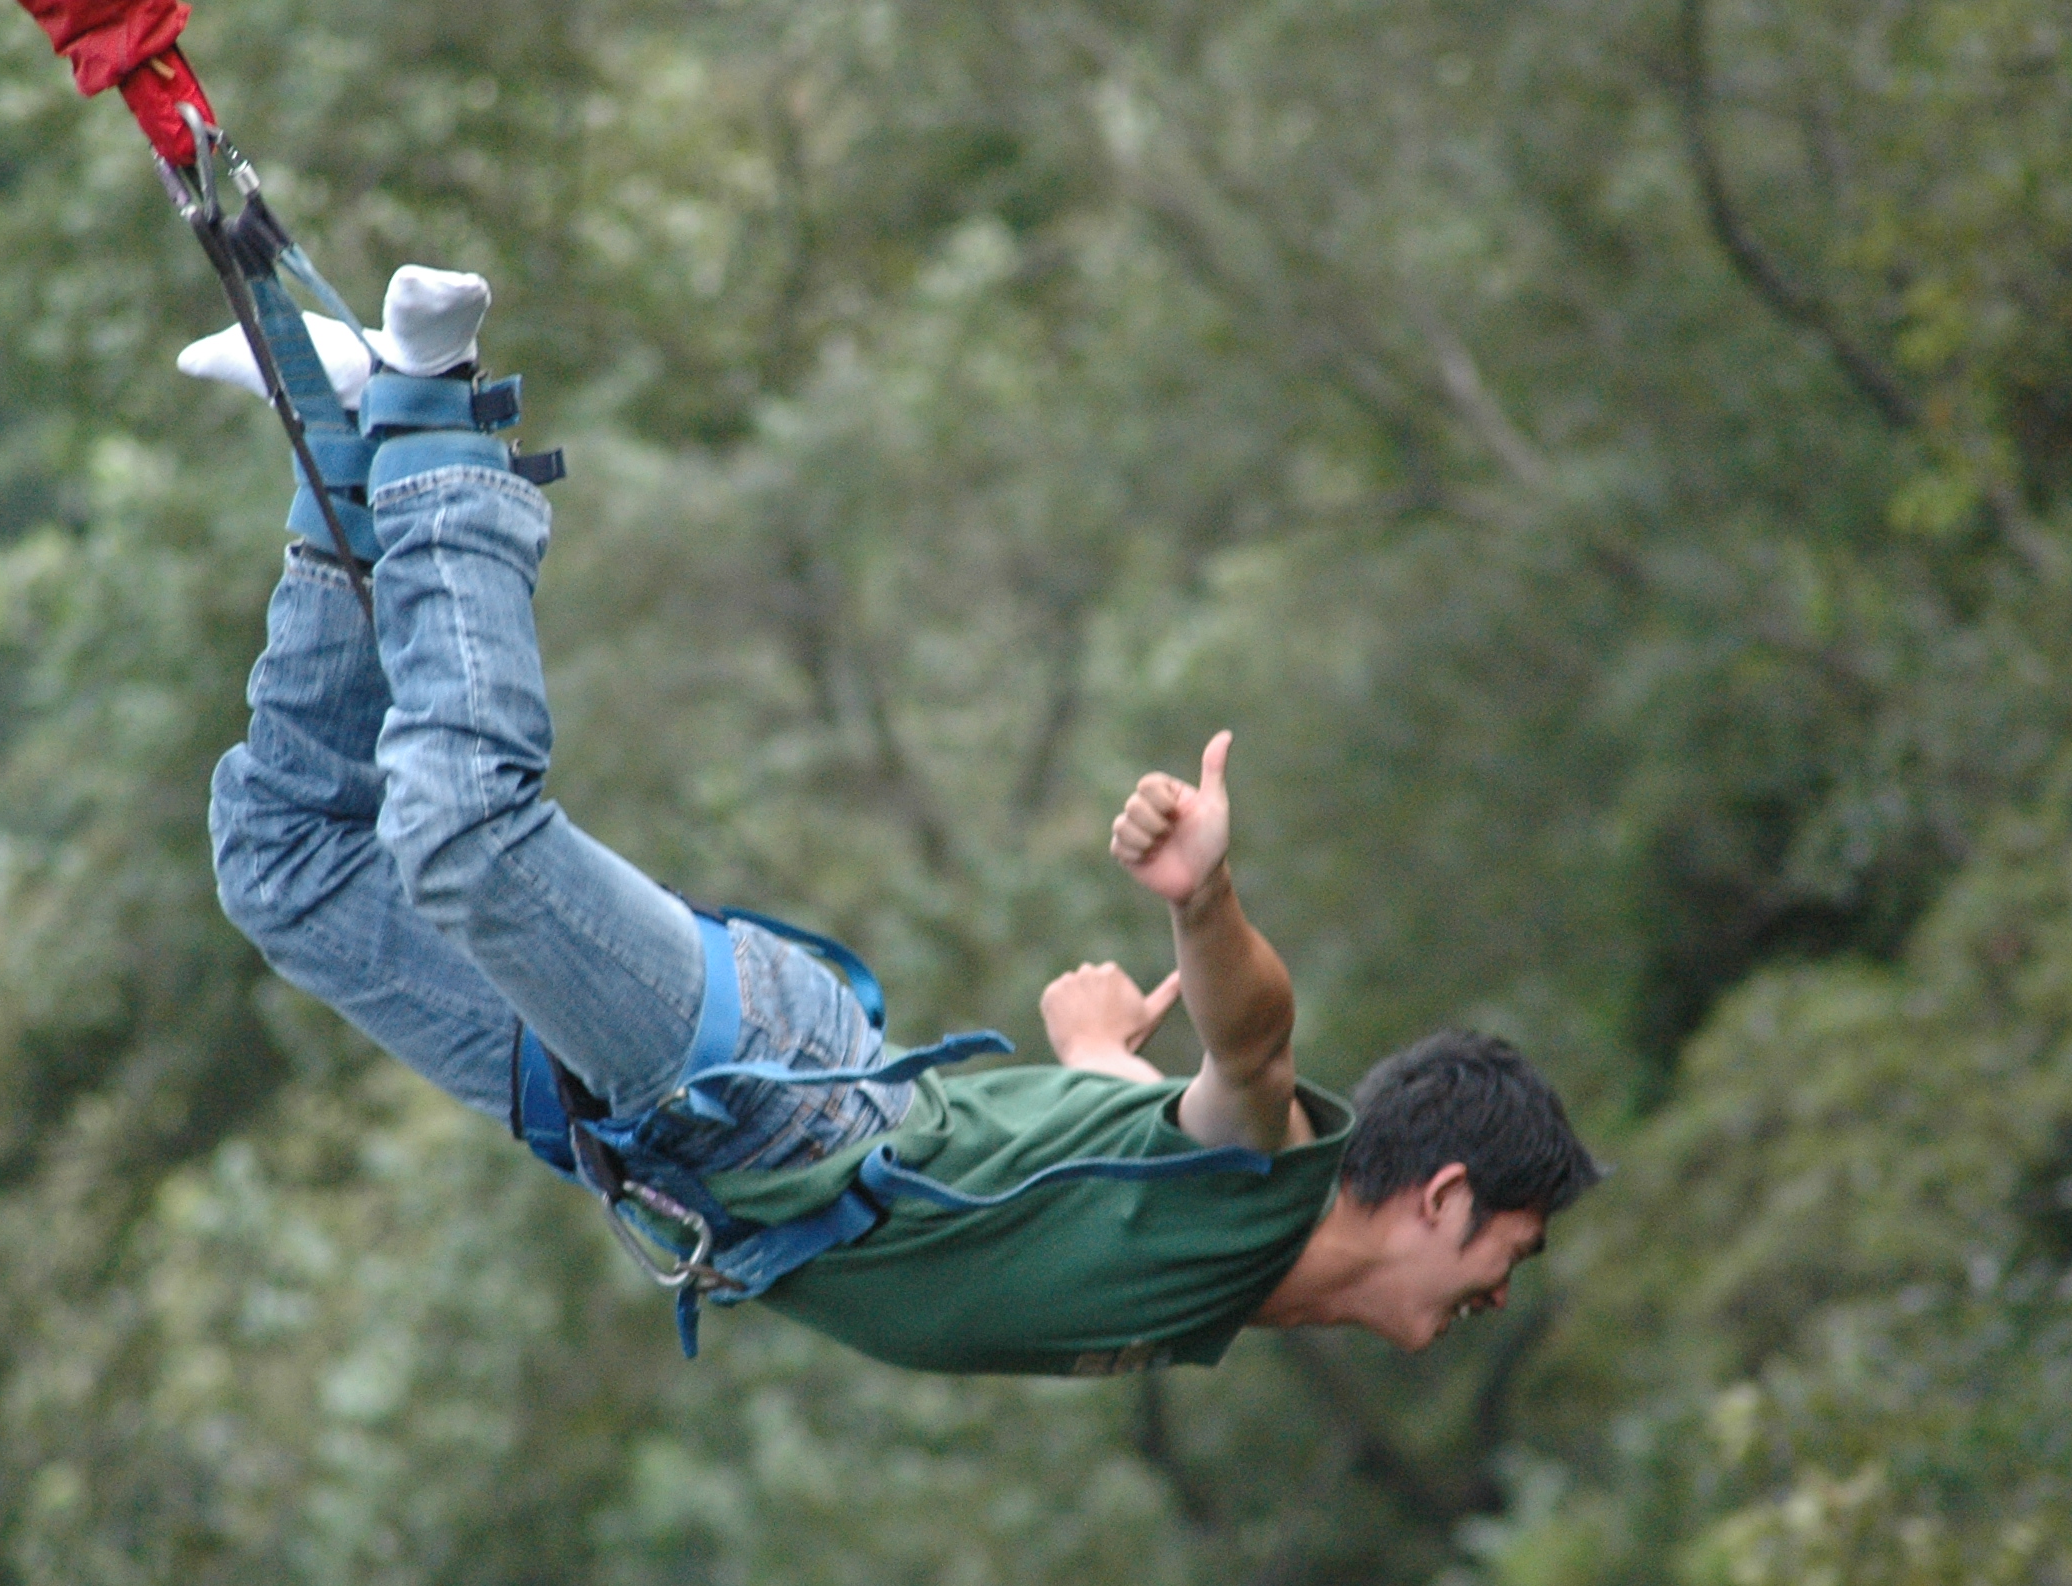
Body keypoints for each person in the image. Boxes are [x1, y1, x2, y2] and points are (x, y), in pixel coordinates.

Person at [198, 265, 1602, 1377]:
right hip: (766, 1100)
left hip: (661, 1147)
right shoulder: (1267, 1187)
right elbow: (1254, 1045)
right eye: (1513, 1253)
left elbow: (1140, 1130)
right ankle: (441, 437)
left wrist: (1098, 1054)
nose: (1501, 1294)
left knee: (286, 863)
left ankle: (347, 462)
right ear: (1443, 1196)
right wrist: (1202, 902)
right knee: (462, 837)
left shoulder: (1232, 1266)